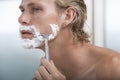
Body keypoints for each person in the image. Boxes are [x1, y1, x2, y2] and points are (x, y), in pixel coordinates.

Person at [18, 0, 120, 80]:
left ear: (67, 16)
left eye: (36, 9)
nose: (21, 18)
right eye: (22, 10)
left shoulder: (113, 66)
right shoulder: (46, 70)